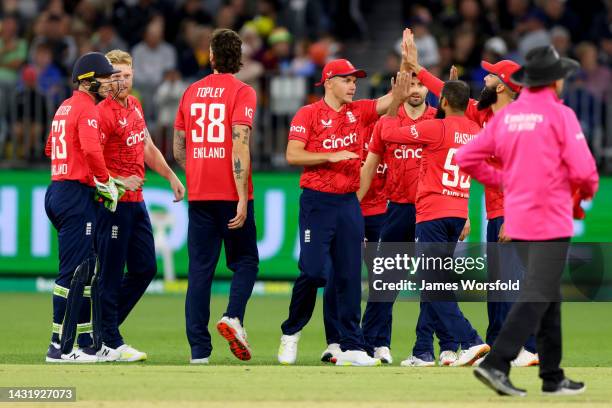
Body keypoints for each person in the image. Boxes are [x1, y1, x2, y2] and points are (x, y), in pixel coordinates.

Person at [458, 45, 599, 396]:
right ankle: (497, 363)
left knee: (547, 295)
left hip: (517, 219)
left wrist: (501, 180)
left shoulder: (507, 117)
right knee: (539, 292)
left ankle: (552, 376)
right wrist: (581, 197)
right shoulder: (560, 115)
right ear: (554, 81)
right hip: (551, 218)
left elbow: (466, 157)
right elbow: (585, 171)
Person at [401, 28, 538, 367]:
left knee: (510, 282)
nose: (485, 77)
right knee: (499, 285)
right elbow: (445, 93)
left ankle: (522, 348)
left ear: (502, 85)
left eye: (491, 75)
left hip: (512, 212)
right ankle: (498, 346)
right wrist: (417, 68)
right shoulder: (485, 114)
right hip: (496, 211)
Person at [277, 52, 400, 366]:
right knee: (314, 271)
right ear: (328, 82)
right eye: (346, 80)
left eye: (354, 80)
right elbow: (293, 154)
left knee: (348, 276)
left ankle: (353, 346)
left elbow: (390, 100)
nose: (353, 85)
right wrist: (327, 157)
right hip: (317, 201)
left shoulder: (357, 112)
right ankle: (291, 331)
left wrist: (407, 69)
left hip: (348, 202)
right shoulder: (308, 114)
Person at [380, 74, 488, 367]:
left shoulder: (435, 128)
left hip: (432, 213)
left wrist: (394, 105)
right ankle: (422, 350)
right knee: (434, 284)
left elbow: (389, 134)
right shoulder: (476, 131)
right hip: (458, 212)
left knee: (433, 284)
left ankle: (472, 340)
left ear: (441, 101)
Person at [44, 52, 139, 363]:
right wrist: (106, 181)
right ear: (88, 81)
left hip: (60, 188)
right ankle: (59, 347)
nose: (110, 83)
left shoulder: (65, 106)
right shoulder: (86, 108)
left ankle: (88, 343)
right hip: (74, 194)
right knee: (73, 274)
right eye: (104, 78)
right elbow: (89, 148)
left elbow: (50, 148)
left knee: (85, 272)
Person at [173, 28, 259, 364]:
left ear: (210, 56)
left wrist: (196, 168)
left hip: (200, 193)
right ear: (239, 59)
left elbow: (179, 146)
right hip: (230, 192)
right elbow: (240, 142)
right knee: (246, 261)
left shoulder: (191, 92)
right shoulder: (242, 91)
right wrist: (240, 195)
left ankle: (198, 351)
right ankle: (233, 317)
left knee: (199, 271)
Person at [95, 49, 185, 362]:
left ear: (133, 75)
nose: (121, 81)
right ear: (106, 79)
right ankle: (110, 340)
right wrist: (119, 180)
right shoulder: (102, 114)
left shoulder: (134, 105)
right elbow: (89, 162)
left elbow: (146, 145)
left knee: (145, 268)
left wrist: (171, 175)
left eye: (126, 75)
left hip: (136, 202)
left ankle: (100, 331)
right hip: (112, 202)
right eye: (115, 75)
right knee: (109, 273)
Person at [355, 72, 439, 365]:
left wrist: (463, 213)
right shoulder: (388, 122)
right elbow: (369, 167)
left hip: (432, 209)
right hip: (399, 208)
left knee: (432, 282)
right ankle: (372, 344)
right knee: (384, 280)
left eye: (420, 84)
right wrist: (354, 208)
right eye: (411, 84)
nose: (415, 90)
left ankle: (425, 348)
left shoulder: (438, 120)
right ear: (401, 87)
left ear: (429, 86)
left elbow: (457, 166)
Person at [320, 121, 388, 364]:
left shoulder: (386, 129)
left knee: (382, 280)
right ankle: (335, 342)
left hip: (379, 213)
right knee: (336, 278)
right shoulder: (342, 130)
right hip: (345, 211)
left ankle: (378, 342)